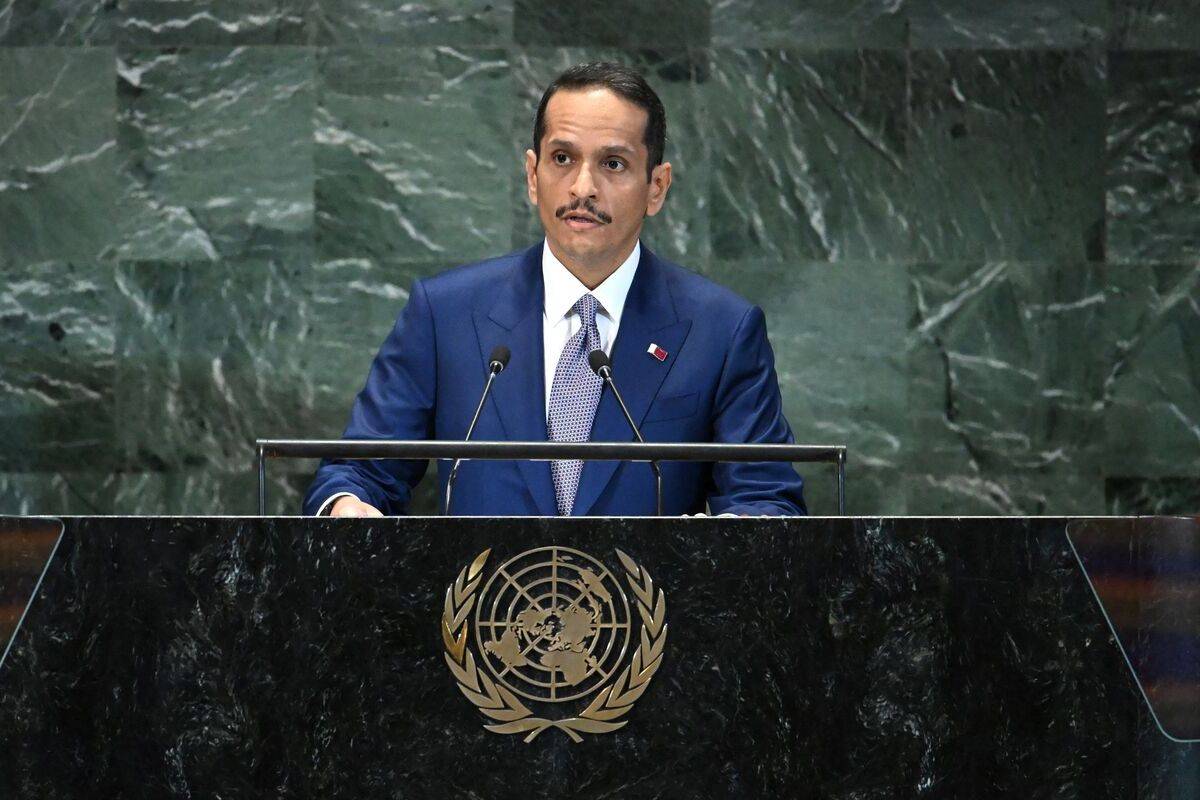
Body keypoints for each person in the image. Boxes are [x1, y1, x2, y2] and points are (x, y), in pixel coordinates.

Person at [303, 62, 806, 518]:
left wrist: (736, 536)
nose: (582, 187)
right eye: (562, 158)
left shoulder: (721, 330)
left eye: (613, 164)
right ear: (532, 174)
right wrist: (349, 507)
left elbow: (767, 497)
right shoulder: (445, 314)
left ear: (656, 187)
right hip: (477, 613)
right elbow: (360, 471)